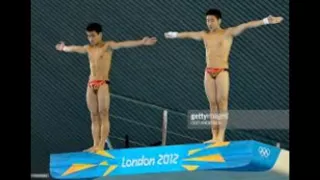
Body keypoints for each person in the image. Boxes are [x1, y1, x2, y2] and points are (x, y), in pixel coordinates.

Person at [164, 9, 283, 143]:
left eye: (212, 20)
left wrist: (266, 21)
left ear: (219, 21)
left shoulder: (228, 33)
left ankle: (221, 136)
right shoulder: (204, 35)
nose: (209, 23)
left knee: (222, 102)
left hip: (222, 71)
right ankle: (214, 136)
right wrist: (174, 35)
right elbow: (188, 34)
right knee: (212, 104)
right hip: (208, 72)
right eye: (207, 20)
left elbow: (246, 25)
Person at [55, 23, 157, 152]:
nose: (91, 39)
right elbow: (74, 48)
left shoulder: (107, 46)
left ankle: (101, 145)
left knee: (104, 114)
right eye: (88, 36)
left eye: (93, 36)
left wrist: (142, 42)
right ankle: (95, 144)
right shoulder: (88, 48)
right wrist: (63, 48)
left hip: (103, 83)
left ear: (100, 34)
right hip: (90, 84)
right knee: (93, 115)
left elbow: (123, 44)